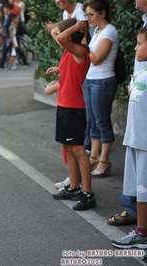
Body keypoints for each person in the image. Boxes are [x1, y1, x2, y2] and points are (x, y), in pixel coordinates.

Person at [107, 0, 147, 227]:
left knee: (143, 181)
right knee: (138, 179)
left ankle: (142, 228)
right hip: (137, 133)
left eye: (139, 43)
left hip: (144, 135)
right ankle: (138, 220)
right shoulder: (144, 21)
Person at [49, 18, 95, 211]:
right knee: (68, 149)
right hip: (64, 105)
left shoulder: (80, 50)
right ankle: (74, 187)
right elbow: (58, 35)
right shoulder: (69, 51)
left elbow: (60, 36)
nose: (58, 37)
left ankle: (87, 193)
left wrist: (79, 25)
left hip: (74, 108)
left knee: (78, 151)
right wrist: (60, 69)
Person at [83, 0, 118, 178]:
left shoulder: (110, 32)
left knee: (102, 122)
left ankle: (105, 160)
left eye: (91, 14)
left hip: (103, 81)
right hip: (91, 80)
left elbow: (96, 59)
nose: (88, 18)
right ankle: (94, 156)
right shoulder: (96, 31)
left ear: (102, 13)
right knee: (92, 121)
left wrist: (83, 45)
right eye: (87, 15)